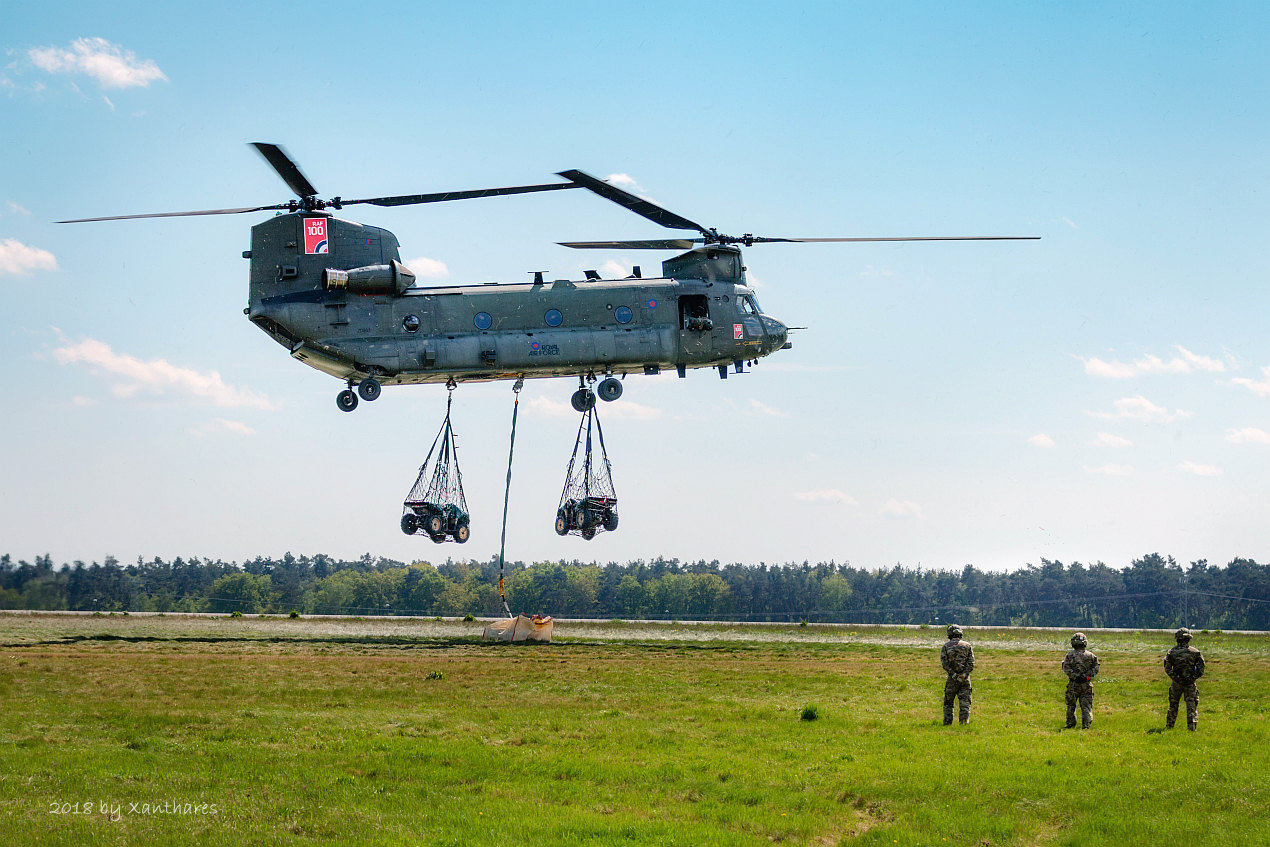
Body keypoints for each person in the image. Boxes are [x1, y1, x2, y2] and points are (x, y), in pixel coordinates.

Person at [1164, 627, 1205, 731]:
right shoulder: (1195, 652)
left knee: (1173, 705)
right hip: (1190, 684)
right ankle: (1191, 728)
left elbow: (1167, 668)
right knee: (1191, 705)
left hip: (1176, 683)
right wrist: (1192, 678)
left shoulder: (1171, 652)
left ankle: (1169, 726)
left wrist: (1176, 678)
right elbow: (1201, 669)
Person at [1062, 632, 1100, 729]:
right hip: (1086, 685)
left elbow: (1066, 667)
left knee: (1071, 706)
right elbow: (1096, 668)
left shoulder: (1069, 656)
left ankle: (1070, 724)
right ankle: (1086, 726)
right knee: (1086, 707)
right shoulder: (1091, 656)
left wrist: (1075, 676)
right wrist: (1086, 677)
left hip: (1073, 684)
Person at [940, 624, 975, 725]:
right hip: (965, 679)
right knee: (965, 703)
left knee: (948, 703)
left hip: (952, 679)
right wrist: (964, 674)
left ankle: (947, 723)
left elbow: (944, 663)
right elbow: (971, 663)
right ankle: (964, 723)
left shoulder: (946, 647)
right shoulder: (967, 646)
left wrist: (953, 674)